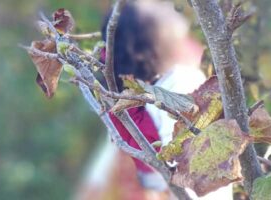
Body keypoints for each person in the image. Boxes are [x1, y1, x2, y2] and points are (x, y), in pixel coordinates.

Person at [77, 1, 231, 199]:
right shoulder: (182, 82)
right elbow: (197, 181)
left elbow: (95, 183)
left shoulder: (130, 105)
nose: (167, 7)